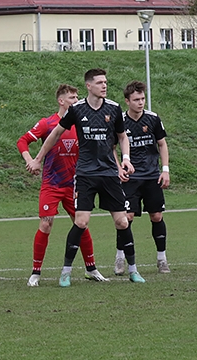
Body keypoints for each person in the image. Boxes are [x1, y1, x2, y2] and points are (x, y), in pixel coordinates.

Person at [29, 68, 144, 287]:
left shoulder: (113, 108)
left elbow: (122, 137)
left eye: (106, 82)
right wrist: (38, 158)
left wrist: (126, 159)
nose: (104, 85)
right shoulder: (77, 109)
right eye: (100, 82)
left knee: (122, 221)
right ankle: (66, 272)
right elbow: (55, 134)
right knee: (81, 221)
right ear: (88, 86)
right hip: (85, 174)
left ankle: (133, 270)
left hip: (109, 173)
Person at [18, 84, 105, 287]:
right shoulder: (47, 124)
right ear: (61, 101)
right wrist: (31, 160)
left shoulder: (82, 123)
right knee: (46, 224)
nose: (76, 100)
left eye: (77, 97)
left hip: (76, 183)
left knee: (81, 224)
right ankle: (36, 273)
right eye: (72, 97)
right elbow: (22, 141)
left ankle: (91, 268)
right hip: (52, 183)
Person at [118, 80, 171, 275]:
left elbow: (162, 144)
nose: (140, 103)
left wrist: (165, 169)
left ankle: (162, 259)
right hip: (130, 178)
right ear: (127, 101)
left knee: (157, 216)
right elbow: (110, 147)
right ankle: (120, 258)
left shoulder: (153, 119)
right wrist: (118, 168)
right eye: (136, 99)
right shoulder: (120, 121)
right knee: (126, 218)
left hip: (151, 176)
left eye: (142, 99)